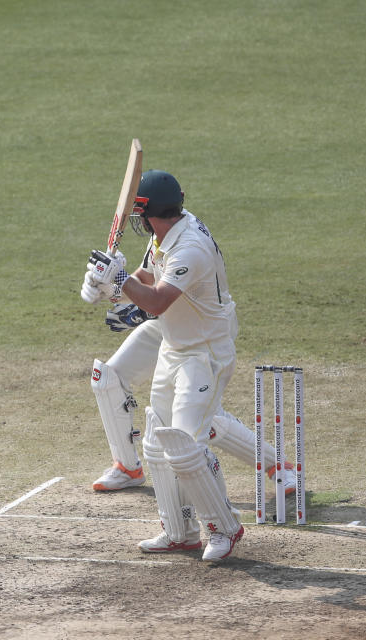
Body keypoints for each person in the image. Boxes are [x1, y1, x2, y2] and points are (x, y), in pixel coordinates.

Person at [81, 169, 245, 562]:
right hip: (176, 346)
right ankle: (179, 532)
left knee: (186, 446)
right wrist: (106, 283)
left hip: (205, 354)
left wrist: (119, 278)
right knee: (158, 444)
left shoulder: (190, 247)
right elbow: (145, 277)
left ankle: (224, 528)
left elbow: (155, 301)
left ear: (146, 213)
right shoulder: (165, 234)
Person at [89, 303, 296, 495]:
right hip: (167, 323)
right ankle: (127, 468)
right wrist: (117, 288)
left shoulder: (195, 260)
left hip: (204, 328)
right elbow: (146, 275)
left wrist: (143, 309)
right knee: (107, 378)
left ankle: (277, 465)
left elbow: (172, 295)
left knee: (201, 417)